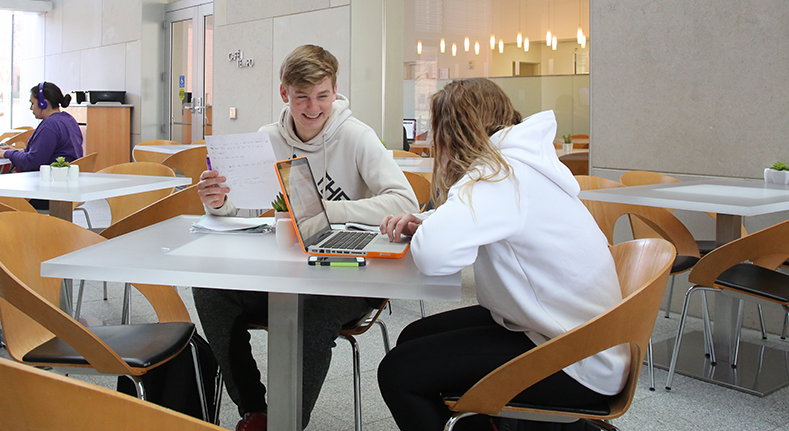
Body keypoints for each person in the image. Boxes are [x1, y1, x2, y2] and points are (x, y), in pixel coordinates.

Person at [377, 78, 628, 431]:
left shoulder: (497, 175)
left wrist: (430, 230)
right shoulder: (519, 164)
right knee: (413, 339)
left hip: (577, 360)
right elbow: (491, 220)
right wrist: (425, 220)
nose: (433, 144)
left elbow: (434, 257)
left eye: (437, 131)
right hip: (581, 336)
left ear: (455, 131)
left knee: (399, 373)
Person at [194, 44, 418, 431]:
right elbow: (242, 210)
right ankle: (256, 410)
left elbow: (404, 201)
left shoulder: (356, 136)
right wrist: (219, 204)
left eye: (323, 96)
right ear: (285, 93)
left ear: (335, 90)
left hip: (351, 276)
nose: (313, 107)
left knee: (311, 313)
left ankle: (288, 423)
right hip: (285, 271)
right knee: (210, 290)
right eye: (302, 97)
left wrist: (325, 210)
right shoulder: (267, 139)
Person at [0, 81, 83, 172]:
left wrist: (5, 154)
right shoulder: (69, 119)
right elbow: (44, 153)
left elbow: (31, 163)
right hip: (66, 176)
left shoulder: (50, 125)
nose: (30, 108)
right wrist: (19, 151)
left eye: (32, 103)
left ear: (43, 103)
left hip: (50, 179)